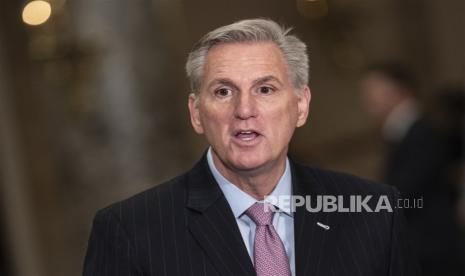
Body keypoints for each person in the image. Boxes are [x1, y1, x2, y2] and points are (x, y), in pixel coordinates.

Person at [83, 19, 419, 276]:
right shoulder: (129, 232)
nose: (245, 110)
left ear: (301, 106)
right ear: (196, 113)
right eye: (223, 92)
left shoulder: (374, 214)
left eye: (266, 89)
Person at [360, 64, 464, 276]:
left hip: (434, 248)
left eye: (374, 90)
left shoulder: (422, 133)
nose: (367, 99)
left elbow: (404, 192)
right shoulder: (403, 133)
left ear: (398, 89)